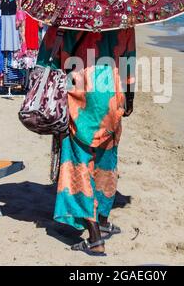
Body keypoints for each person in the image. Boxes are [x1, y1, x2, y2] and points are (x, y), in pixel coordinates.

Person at [37, 27, 136, 256]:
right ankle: (102, 220)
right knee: (106, 161)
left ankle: (94, 237)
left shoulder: (68, 16)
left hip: (78, 99)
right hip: (111, 97)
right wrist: (130, 95)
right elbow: (128, 58)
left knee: (78, 164)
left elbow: (47, 60)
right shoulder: (123, 15)